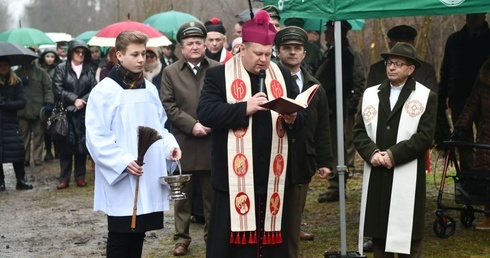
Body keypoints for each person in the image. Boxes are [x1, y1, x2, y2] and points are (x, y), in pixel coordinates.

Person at [197, 10, 307, 258]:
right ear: (242, 49)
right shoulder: (218, 75)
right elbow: (205, 112)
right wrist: (243, 108)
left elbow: (303, 117)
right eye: (258, 53)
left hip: (273, 177)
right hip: (233, 179)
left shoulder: (282, 75)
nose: (263, 60)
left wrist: (293, 117)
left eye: (268, 54)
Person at [85, 30, 181, 258]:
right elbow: (96, 135)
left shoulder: (149, 89)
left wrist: (170, 147)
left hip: (146, 172)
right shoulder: (104, 91)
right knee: (120, 235)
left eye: (144, 54)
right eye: (135, 54)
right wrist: (123, 161)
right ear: (119, 55)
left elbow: (160, 126)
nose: (141, 59)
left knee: (139, 232)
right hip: (121, 173)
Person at [353, 42, 437, 257]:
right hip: (377, 170)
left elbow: (425, 137)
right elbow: (359, 131)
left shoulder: (425, 96)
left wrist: (393, 155)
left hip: (405, 170)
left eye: (398, 64)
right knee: (380, 231)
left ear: (410, 70)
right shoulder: (371, 94)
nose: (391, 68)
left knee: (408, 231)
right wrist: (372, 153)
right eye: (390, 63)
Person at [161, 21, 221, 256]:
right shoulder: (171, 72)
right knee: (182, 196)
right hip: (183, 143)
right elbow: (168, 104)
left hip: (212, 140)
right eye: (190, 43)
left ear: (205, 44)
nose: (195, 47)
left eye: (199, 42)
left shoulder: (218, 68)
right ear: (181, 47)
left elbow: (225, 101)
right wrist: (191, 125)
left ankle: (213, 237)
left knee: (211, 194)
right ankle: (182, 238)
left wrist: (210, 123)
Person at [274, 26, 333, 257]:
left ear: (304, 53)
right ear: (278, 52)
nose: (292, 53)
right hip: (272, 158)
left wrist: (325, 161)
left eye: (297, 48)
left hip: (302, 159)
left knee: (292, 222)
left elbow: (322, 129)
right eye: (286, 48)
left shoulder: (314, 86)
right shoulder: (267, 82)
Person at [438, 13, 490, 170]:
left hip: (486, 96)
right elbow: (446, 70)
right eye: (471, 16)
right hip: (459, 96)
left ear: (484, 16)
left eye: (477, 16)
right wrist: (442, 96)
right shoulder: (454, 40)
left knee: (486, 140)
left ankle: (485, 178)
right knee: (462, 139)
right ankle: (468, 180)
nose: (473, 19)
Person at [314, 20, 355, 203]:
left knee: (336, 146)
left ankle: (337, 186)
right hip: (329, 106)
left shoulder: (342, 53)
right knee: (332, 144)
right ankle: (335, 185)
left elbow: (344, 83)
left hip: (333, 107)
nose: (325, 34)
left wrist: (331, 105)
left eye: (328, 31)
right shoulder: (332, 51)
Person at [52, 39, 97, 190]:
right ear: (71, 53)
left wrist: (81, 101)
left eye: (83, 52)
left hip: (83, 113)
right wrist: (73, 99)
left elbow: (94, 90)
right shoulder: (61, 69)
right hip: (65, 112)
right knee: (65, 145)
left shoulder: (89, 70)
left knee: (81, 146)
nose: (80, 55)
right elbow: (57, 89)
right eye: (77, 52)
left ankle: (80, 177)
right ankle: (64, 178)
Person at [453, 57, 490, 230]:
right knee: (486, 176)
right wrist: (460, 127)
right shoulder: (483, 81)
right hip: (486, 135)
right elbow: (471, 105)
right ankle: (488, 217)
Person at [367, 25, 438, 92]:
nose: (402, 48)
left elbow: (431, 100)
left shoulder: (426, 70)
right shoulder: (376, 70)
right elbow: (370, 99)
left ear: (414, 44)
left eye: (407, 43)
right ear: (390, 45)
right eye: (398, 43)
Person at [0, 57, 33, 191]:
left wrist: (6, 104)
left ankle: (21, 180)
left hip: (11, 122)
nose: (3, 68)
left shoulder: (16, 82)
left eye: (6, 65)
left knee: (17, 152)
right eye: (0, 65)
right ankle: (1, 182)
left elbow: (22, 102)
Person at [15, 59, 54, 167]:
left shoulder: (41, 72)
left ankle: (37, 158)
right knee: (23, 136)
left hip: (38, 109)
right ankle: (25, 158)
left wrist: (48, 103)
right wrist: (19, 82)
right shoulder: (16, 73)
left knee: (39, 134)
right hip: (22, 110)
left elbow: (48, 88)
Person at [39, 48, 62, 161]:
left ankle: (58, 150)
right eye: (47, 56)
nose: (49, 59)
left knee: (56, 127)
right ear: (43, 57)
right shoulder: (40, 69)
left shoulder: (58, 69)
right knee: (46, 129)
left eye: (52, 57)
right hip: (43, 102)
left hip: (56, 102)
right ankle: (48, 151)